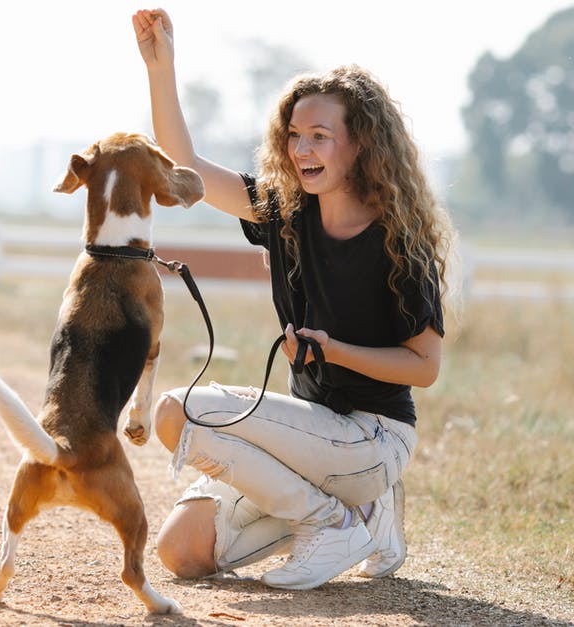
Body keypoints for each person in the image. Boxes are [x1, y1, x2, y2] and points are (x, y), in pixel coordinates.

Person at [132, 7, 455, 591]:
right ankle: (363, 517)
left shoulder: (399, 242)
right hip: (310, 437)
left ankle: (333, 520)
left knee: (176, 411)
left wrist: (334, 350)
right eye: (295, 135)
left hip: (373, 437)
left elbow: (425, 368)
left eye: (320, 136)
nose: (302, 148)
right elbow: (187, 168)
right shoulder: (284, 212)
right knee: (181, 553)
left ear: (359, 146)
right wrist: (162, 68)